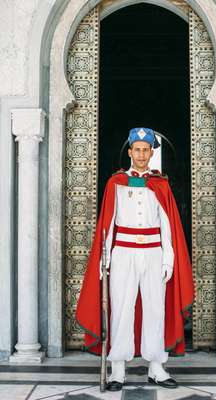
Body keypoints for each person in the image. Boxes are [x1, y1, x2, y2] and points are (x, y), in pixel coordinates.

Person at [76, 127, 194, 391]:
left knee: (155, 309)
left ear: (151, 153)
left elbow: (168, 226)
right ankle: (117, 370)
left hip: (153, 253)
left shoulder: (160, 184)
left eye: (146, 150)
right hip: (123, 254)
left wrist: (169, 259)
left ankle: (157, 368)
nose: (141, 154)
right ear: (130, 152)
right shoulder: (115, 183)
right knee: (121, 310)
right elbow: (108, 223)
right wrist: (102, 261)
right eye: (137, 149)